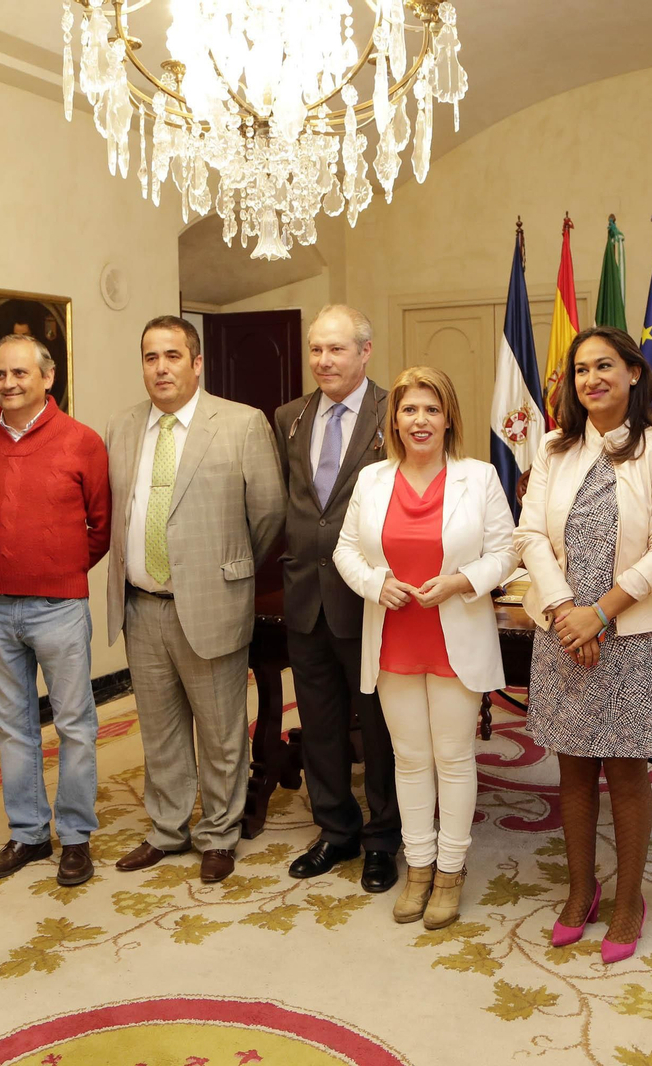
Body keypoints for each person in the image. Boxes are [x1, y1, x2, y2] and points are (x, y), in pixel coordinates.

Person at [515, 326, 652, 963]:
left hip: (629, 634)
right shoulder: (555, 449)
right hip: (560, 630)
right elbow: (530, 535)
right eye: (582, 369)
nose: (592, 379)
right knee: (571, 766)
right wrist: (567, 612)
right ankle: (581, 889)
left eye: (605, 366)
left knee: (624, 771)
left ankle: (627, 901)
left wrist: (602, 616)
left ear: (633, 374)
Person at [333, 366, 516, 929]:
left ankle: (452, 871)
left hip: (453, 633)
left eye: (431, 410)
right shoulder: (371, 480)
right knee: (409, 759)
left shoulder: (479, 477)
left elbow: (505, 553)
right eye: (409, 410)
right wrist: (374, 583)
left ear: (448, 418)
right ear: (395, 419)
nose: (419, 420)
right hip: (393, 636)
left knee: (453, 758)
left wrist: (461, 582)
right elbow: (346, 550)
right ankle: (419, 867)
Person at [105, 315, 285, 884]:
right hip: (141, 604)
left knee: (221, 729)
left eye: (172, 356)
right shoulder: (123, 426)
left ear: (197, 362)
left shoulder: (240, 424)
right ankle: (166, 829)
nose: (160, 368)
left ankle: (218, 834)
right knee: (158, 729)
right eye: (150, 357)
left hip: (211, 602)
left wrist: (229, 571)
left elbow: (270, 512)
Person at [0, 334, 110, 887]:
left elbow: (101, 525)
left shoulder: (82, 441)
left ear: (48, 377)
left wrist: (64, 568)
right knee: (13, 726)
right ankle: (28, 833)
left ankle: (74, 837)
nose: (8, 383)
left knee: (75, 725)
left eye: (20, 373)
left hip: (59, 607)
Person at [273, 306, 400, 892]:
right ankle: (336, 831)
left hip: (371, 598)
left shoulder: (395, 411)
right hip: (304, 596)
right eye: (316, 350)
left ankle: (383, 837)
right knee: (319, 723)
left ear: (365, 351)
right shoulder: (289, 417)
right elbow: (294, 502)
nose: (323, 361)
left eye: (337, 350)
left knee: (377, 727)